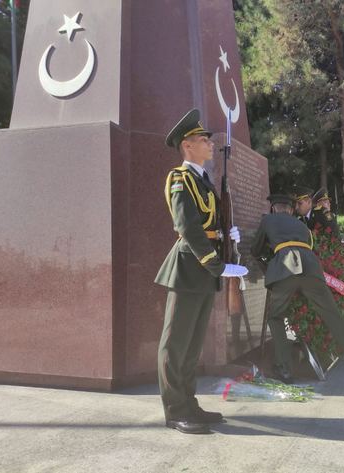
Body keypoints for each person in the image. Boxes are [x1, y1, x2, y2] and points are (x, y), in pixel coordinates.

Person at [155, 108, 248, 435]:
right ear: (187, 146)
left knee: (193, 344)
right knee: (175, 343)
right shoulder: (180, 179)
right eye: (203, 140)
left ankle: (189, 403)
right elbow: (189, 228)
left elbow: (210, 225)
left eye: (209, 140)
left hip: (205, 269)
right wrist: (216, 264)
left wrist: (227, 235)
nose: (210, 145)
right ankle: (175, 410)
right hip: (189, 266)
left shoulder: (204, 180)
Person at [251, 193, 344, 391]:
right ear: (290, 210)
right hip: (312, 270)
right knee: (336, 320)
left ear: (273, 208)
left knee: (275, 316)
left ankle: (285, 369)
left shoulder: (268, 220)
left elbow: (255, 250)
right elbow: (309, 247)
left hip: (285, 270)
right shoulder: (302, 227)